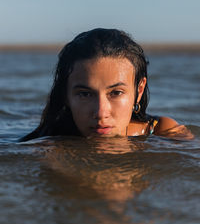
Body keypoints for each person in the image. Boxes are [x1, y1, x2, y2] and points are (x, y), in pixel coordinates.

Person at [20, 28, 194, 141]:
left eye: (116, 92)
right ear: (66, 95)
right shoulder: (49, 144)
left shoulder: (161, 130)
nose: (101, 113)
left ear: (139, 90)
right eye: (85, 94)